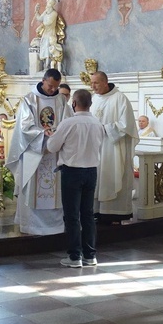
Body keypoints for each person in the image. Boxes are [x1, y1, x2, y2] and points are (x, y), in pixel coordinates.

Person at [6, 68, 72, 235]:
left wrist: (58, 135)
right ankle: (32, 225)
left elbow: (68, 121)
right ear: (43, 80)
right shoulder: (29, 100)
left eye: (55, 87)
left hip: (55, 152)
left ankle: (55, 227)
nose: (52, 89)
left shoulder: (61, 100)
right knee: (34, 188)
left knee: (55, 189)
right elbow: (25, 126)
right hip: (34, 152)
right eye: (50, 85)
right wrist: (44, 133)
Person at [47, 89, 105, 267]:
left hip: (72, 171)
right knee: (87, 214)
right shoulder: (97, 124)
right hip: (91, 171)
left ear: (73, 103)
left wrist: (51, 136)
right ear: (90, 104)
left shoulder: (68, 123)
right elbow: (99, 145)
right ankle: (90, 254)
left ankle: (74, 256)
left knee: (72, 215)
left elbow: (52, 147)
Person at [90, 71, 138, 224]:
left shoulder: (120, 98)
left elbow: (126, 125)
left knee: (113, 176)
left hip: (113, 148)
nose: (93, 86)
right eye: (91, 83)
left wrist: (104, 128)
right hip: (96, 148)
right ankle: (97, 211)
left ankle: (114, 213)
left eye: (96, 83)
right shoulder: (93, 99)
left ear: (105, 82)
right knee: (97, 178)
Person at [34, 0, 66, 71]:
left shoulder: (54, 13)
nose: (47, 5)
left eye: (48, 3)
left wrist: (41, 25)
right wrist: (36, 11)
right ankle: (45, 66)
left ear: (51, 4)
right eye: (47, 3)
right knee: (44, 49)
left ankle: (49, 67)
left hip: (51, 34)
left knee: (48, 49)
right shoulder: (46, 12)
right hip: (45, 33)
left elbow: (48, 23)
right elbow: (39, 18)